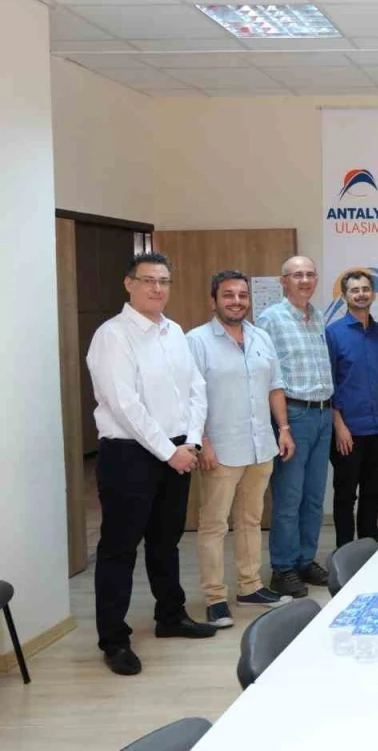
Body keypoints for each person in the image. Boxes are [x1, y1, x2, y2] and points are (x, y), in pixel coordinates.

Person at [86, 252, 215, 676]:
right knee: (120, 548)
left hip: (178, 449)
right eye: (148, 280)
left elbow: (195, 388)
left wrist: (191, 441)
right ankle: (114, 639)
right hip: (130, 454)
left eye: (163, 281)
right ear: (129, 284)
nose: (157, 288)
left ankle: (170, 615)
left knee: (166, 540)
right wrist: (168, 451)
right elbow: (124, 404)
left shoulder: (173, 331)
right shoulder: (112, 335)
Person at [187, 270, 296, 629]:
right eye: (228, 295)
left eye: (242, 295)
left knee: (250, 520)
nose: (236, 301)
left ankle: (250, 586)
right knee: (214, 525)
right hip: (219, 448)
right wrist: (202, 441)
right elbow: (190, 397)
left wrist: (283, 429)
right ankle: (215, 598)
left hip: (261, 445)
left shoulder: (261, 336)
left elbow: (275, 386)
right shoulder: (196, 341)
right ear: (214, 300)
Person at [256, 256, 334, 598]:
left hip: (323, 413)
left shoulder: (318, 316)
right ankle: (283, 568)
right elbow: (265, 375)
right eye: (297, 275)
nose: (305, 280)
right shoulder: (270, 320)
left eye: (310, 274)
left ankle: (305, 560)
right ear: (283, 281)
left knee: (314, 496)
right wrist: (282, 424)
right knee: (289, 497)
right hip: (293, 415)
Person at [325, 270, 378, 546]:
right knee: (345, 494)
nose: (361, 294)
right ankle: (344, 550)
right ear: (344, 296)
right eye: (354, 290)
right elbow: (330, 383)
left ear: (373, 294)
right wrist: (339, 426)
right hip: (347, 430)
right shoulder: (333, 333)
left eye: (366, 289)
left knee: (373, 491)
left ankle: (369, 546)